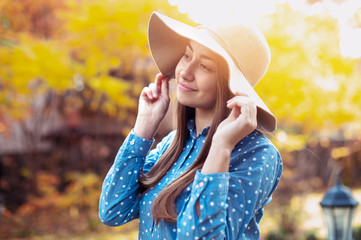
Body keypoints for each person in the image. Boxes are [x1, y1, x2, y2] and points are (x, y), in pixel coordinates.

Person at [99, 11, 282, 240]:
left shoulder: (257, 154)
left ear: (232, 84)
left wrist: (221, 147)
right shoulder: (172, 144)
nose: (185, 72)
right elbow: (112, 210)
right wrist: (144, 127)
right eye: (187, 55)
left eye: (204, 66)